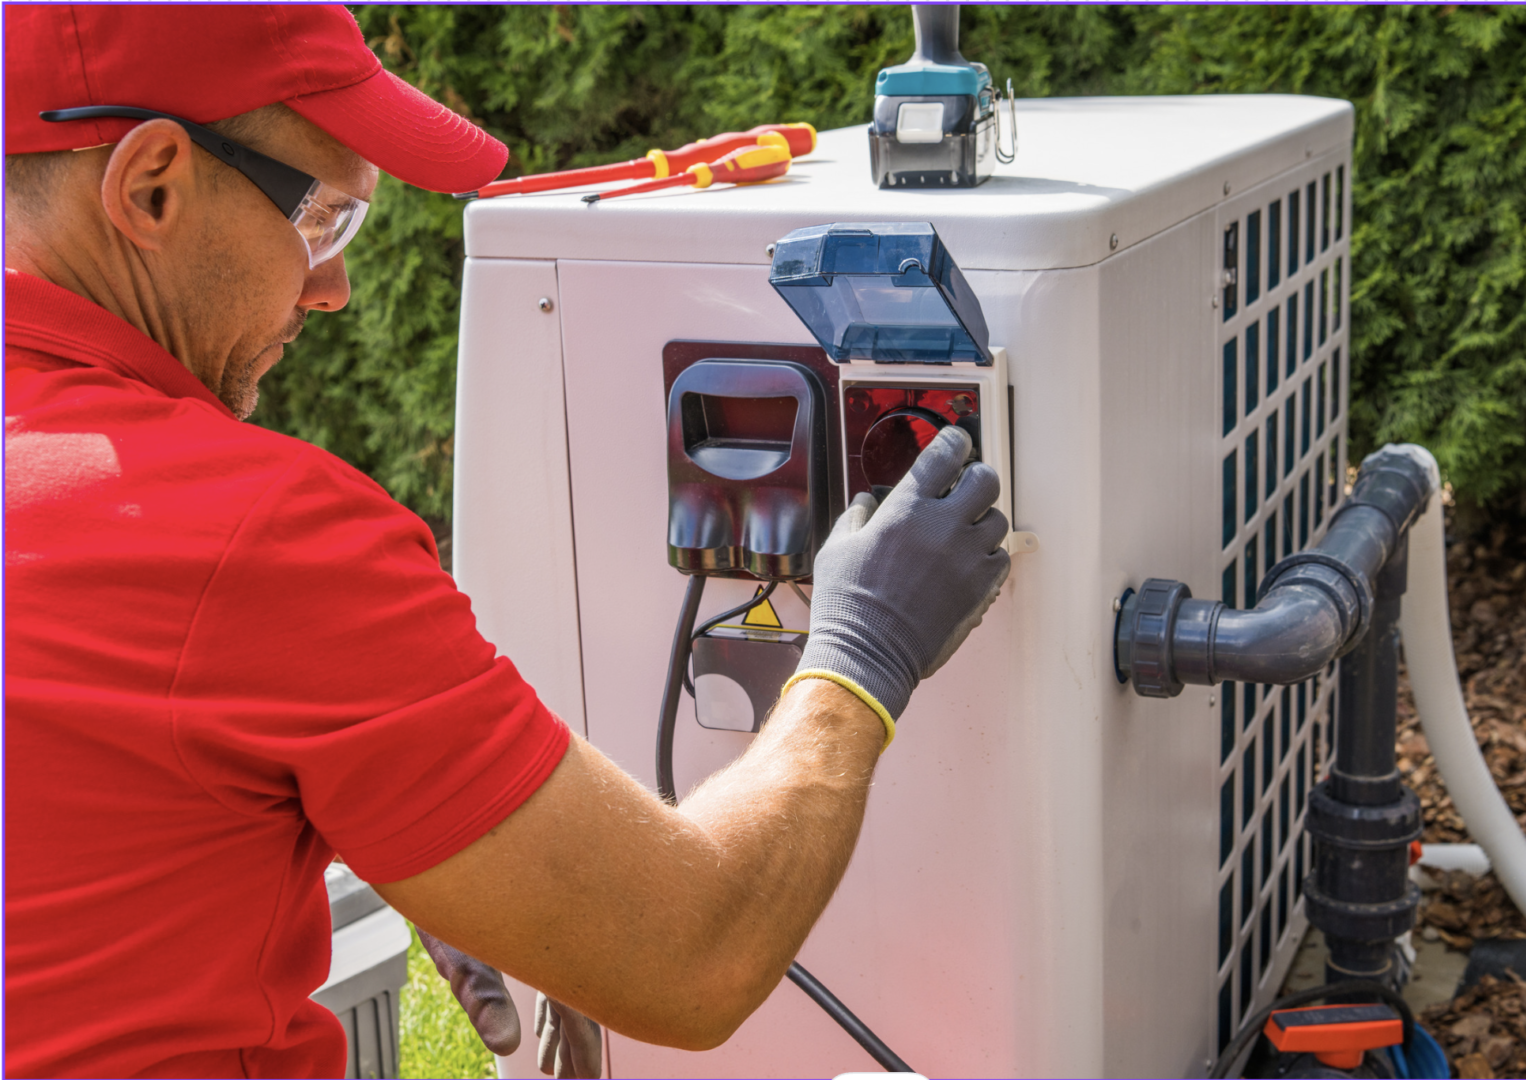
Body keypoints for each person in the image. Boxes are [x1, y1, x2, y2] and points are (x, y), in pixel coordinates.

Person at [3, 5, 1012, 1078]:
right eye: (322, 222)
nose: (334, 290)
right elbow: (688, 951)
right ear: (151, 184)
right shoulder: (244, 535)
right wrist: (860, 656)